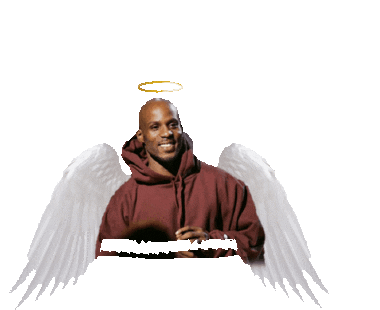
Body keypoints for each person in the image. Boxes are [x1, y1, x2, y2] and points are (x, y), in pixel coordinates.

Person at [95, 98, 265, 261]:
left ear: (181, 128)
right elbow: (106, 256)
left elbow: (253, 244)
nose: (166, 133)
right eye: (155, 127)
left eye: (173, 125)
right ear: (141, 135)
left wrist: (212, 244)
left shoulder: (225, 185)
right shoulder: (124, 198)